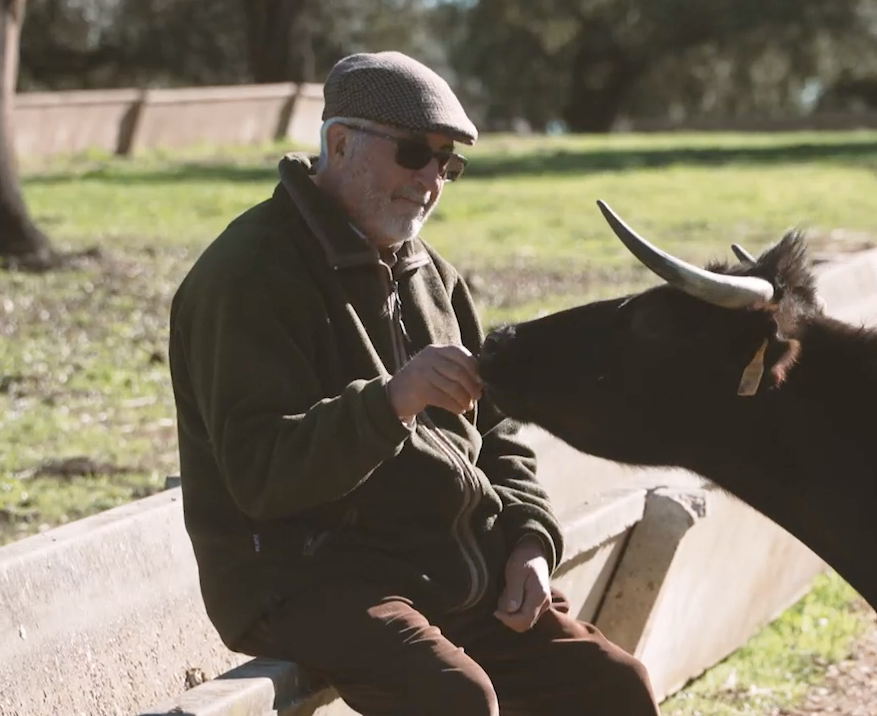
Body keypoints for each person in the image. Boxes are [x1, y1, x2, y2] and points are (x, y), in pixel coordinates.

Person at [166, 50, 661, 716]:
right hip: (306, 576)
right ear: (339, 144)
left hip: (441, 570)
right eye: (413, 154)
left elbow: (498, 434)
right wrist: (392, 402)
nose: (432, 180)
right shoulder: (249, 276)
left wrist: (528, 540)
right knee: (456, 700)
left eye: (448, 164)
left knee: (610, 687)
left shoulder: (431, 273)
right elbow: (260, 475)